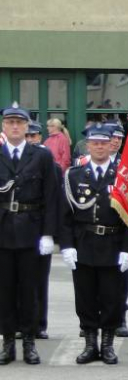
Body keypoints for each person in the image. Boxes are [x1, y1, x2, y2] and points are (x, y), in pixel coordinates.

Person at [59, 123, 128, 364]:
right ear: (88, 145)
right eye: (95, 142)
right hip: (84, 243)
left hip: (113, 243)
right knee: (85, 297)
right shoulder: (74, 175)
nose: (100, 146)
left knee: (112, 298)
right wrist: (67, 245)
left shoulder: (123, 175)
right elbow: (65, 215)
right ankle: (90, 344)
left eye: (104, 142)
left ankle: (108, 344)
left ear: (110, 144)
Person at [0, 103, 59, 365]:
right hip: (2, 231)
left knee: (30, 290)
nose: (14, 126)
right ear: (3, 126)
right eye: (10, 122)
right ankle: (8, 342)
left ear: (26, 127)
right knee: (4, 291)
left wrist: (48, 234)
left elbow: (51, 197)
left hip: (31, 231)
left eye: (19, 123)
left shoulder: (42, 156)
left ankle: (30, 342)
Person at [24, 121, 56, 340]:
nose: (30, 140)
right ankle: (19, 324)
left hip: (38, 227)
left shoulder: (47, 161)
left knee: (38, 280)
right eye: (28, 136)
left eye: (34, 136)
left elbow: (53, 199)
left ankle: (39, 324)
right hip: (16, 229)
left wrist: (49, 232)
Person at [104, 121, 128, 337]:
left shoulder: (127, 165)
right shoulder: (87, 162)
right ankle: (94, 321)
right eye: (112, 138)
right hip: (95, 228)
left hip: (120, 229)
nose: (115, 142)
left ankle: (120, 318)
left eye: (119, 139)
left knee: (120, 279)